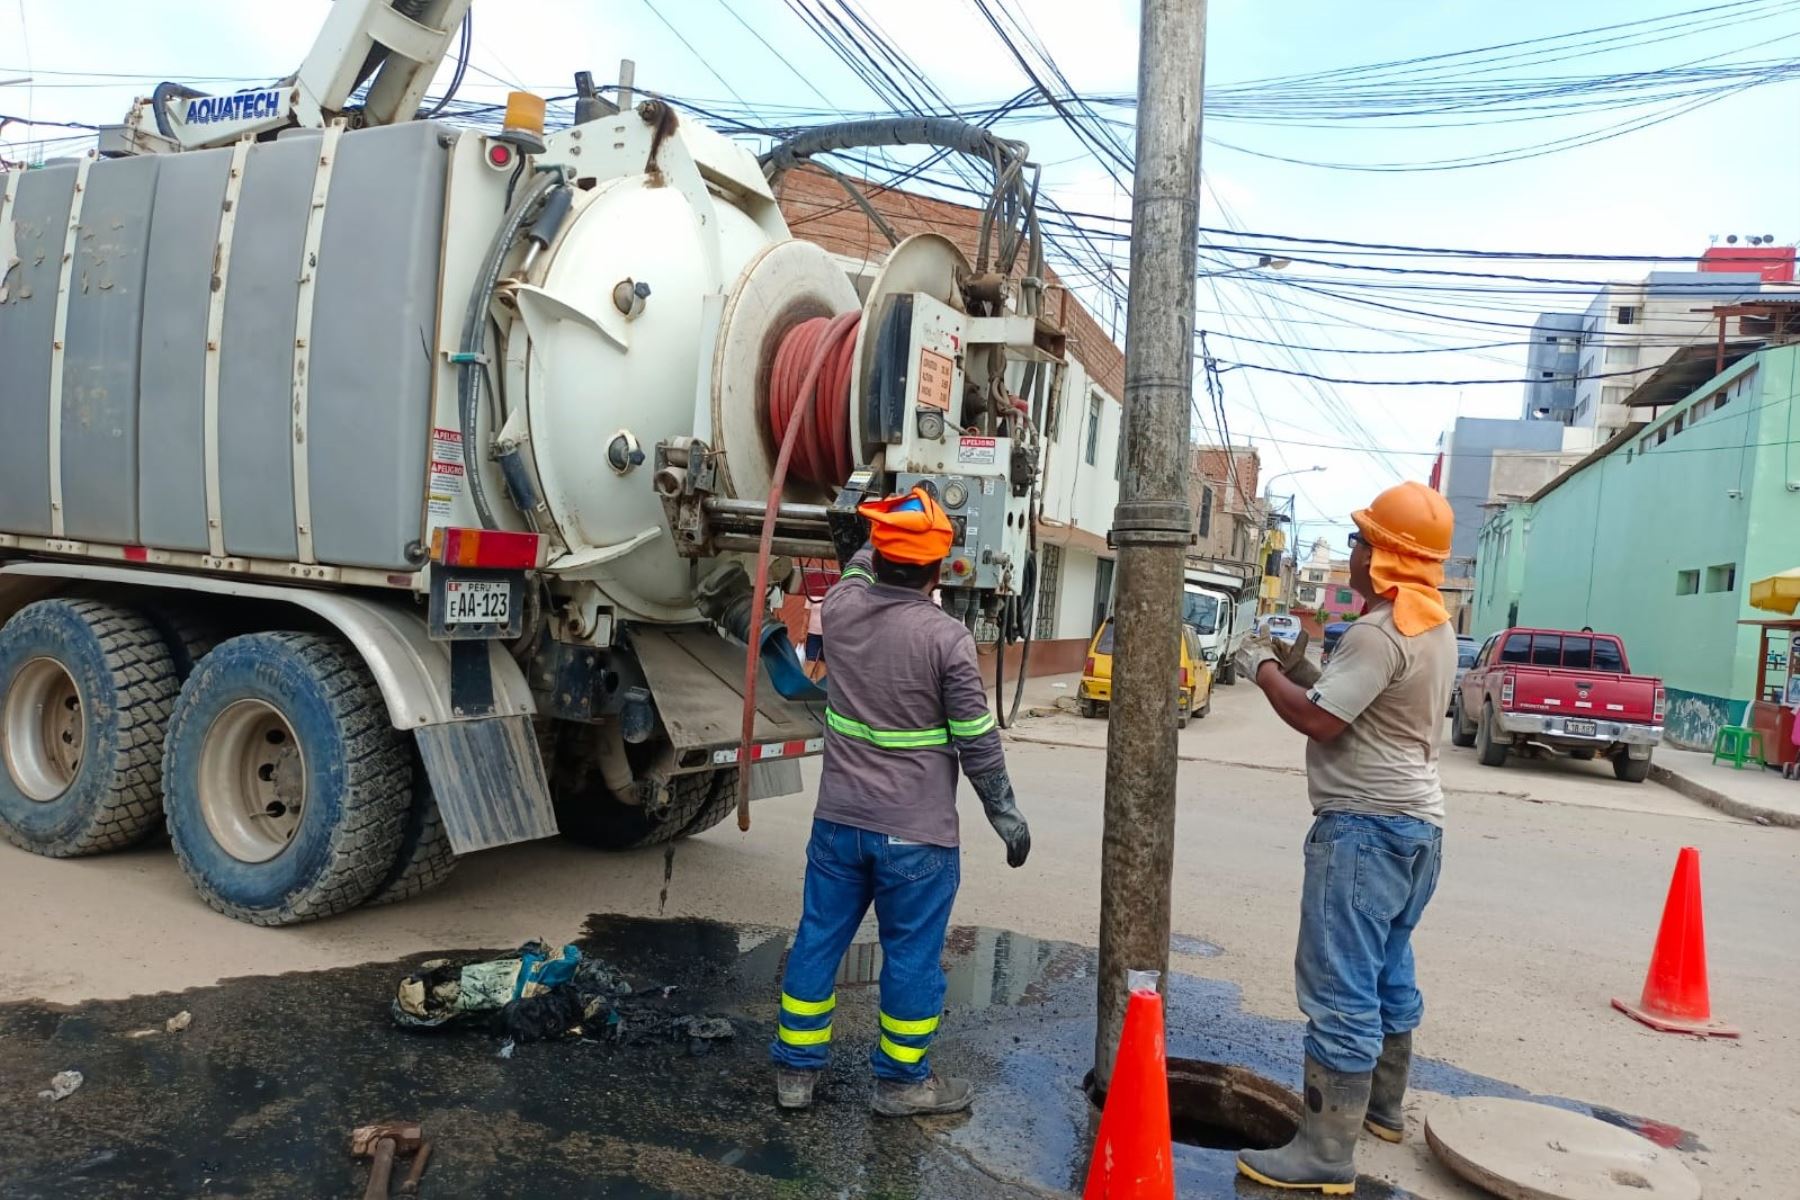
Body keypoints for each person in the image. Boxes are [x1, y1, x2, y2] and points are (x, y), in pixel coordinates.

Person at [769, 486, 1031, 1116]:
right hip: (917, 837)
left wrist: (876, 512)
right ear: (939, 570)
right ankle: (902, 1084)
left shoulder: (846, 605)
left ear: (882, 555)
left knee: (817, 942)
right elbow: (977, 741)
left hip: (839, 825)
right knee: (911, 957)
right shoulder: (947, 640)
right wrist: (1006, 815)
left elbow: (858, 561)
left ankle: (796, 1076)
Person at [1232, 480, 1456, 1195]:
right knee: (1389, 968)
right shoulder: (1431, 624)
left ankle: (1326, 1153)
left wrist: (1263, 669)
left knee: (1340, 986)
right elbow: (1359, 702)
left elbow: (1323, 721)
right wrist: (1301, 665)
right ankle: (1381, 1109)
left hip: (1363, 825)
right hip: (1419, 826)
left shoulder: (1377, 631)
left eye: (1361, 541)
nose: (1352, 551)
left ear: (1387, 556)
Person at [803, 593, 826, 681]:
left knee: (823, 662)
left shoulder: (833, 595)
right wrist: (803, 632)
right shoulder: (811, 594)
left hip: (828, 635)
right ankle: (804, 686)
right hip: (813, 633)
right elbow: (806, 614)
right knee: (810, 660)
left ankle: (818, 687)